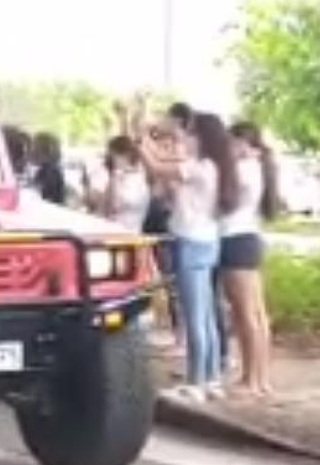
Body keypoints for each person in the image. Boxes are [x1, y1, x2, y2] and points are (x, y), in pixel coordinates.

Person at [139, 111, 238, 402]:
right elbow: (168, 167)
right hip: (208, 241)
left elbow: (157, 167)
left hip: (190, 241)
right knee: (205, 315)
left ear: (202, 138)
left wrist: (142, 138)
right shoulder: (215, 166)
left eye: (192, 133)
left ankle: (196, 381)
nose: (187, 137)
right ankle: (211, 379)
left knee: (195, 317)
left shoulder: (200, 167)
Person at [223, 121, 278, 396]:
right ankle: (259, 377)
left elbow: (223, 200)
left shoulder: (242, 170)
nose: (228, 148)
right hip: (249, 238)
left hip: (235, 240)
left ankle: (252, 379)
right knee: (256, 313)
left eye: (232, 142)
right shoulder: (257, 167)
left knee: (245, 314)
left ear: (245, 144)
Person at [95, 135, 151, 232]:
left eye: (112, 155)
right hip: (112, 231)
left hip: (127, 233)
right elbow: (103, 209)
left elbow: (115, 206)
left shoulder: (138, 179)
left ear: (125, 155)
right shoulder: (117, 177)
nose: (110, 159)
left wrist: (115, 178)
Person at [30, 132, 69, 205]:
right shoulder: (47, 170)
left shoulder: (51, 172)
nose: (30, 152)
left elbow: (47, 198)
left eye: (33, 148)